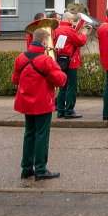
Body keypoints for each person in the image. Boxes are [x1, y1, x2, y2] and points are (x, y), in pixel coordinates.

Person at [12, 27, 67, 180]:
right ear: (44, 42)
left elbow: (15, 79)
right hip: (42, 101)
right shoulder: (45, 59)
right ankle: (41, 169)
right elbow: (60, 80)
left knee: (29, 134)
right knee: (42, 135)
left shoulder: (21, 57)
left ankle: (26, 167)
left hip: (26, 101)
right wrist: (62, 71)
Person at [52, 13, 87, 119]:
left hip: (60, 60)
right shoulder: (69, 29)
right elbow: (80, 42)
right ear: (68, 19)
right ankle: (69, 110)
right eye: (72, 19)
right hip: (71, 62)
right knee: (71, 87)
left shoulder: (56, 29)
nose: (73, 21)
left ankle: (61, 110)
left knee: (62, 86)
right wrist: (84, 34)